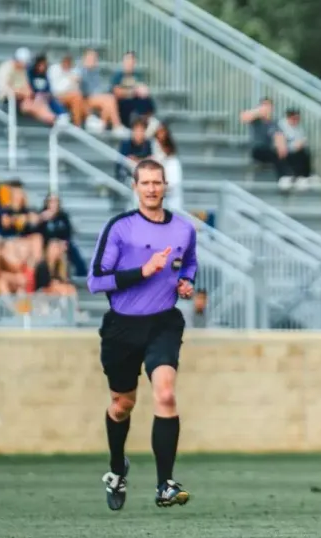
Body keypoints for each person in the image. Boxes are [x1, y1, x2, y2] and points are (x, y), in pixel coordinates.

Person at [87, 158, 198, 511]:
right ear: (135, 187)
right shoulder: (120, 228)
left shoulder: (184, 229)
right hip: (122, 327)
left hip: (163, 323)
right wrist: (142, 271)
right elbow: (95, 281)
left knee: (165, 394)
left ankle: (165, 484)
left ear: (166, 186)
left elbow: (190, 263)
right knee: (123, 406)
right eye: (145, 182)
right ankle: (117, 469)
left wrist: (187, 283)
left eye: (157, 182)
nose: (152, 188)